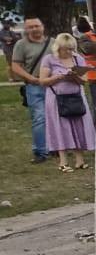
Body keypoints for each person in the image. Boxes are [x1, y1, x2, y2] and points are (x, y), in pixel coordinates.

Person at [37, 32, 94, 171]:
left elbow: (84, 80)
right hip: (57, 99)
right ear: (59, 48)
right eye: (67, 49)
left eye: (71, 48)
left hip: (76, 97)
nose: (70, 51)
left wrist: (75, 76)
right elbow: (42, 81)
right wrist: (59, 77)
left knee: (78, 126)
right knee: (60, 128)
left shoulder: (77, 58)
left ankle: (80, 160)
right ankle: (63, 162)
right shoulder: (49, 59)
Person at [8, 16, 51, 163]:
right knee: (39, 118)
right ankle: (40, 151)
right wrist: (30, 78)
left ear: (42, 26)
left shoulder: (52, 43)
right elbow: (15, 66)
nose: (34, 29)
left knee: (56, 118)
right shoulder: (21, 44)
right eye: (30, 27)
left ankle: (57, 147)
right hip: (34, 86)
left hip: (53, 86)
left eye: (36, 26)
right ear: (26, 29)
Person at [74, 17, 96, 112]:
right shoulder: (93, 36)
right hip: (95, 73)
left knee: (95, 101)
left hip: (93, 74)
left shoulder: (84, 38)